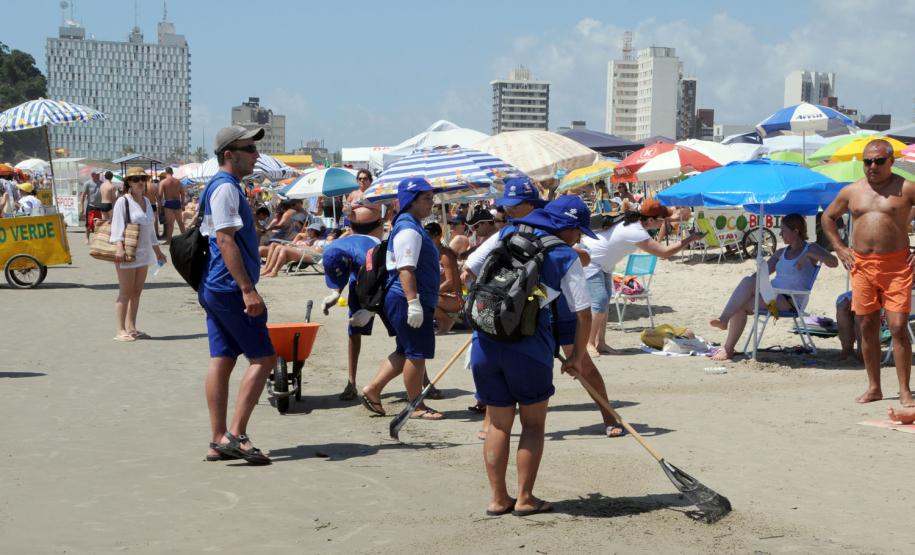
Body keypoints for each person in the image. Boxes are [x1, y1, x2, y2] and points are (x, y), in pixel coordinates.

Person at [469, 195, 593, 517]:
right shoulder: (565, 255)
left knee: (498, 424)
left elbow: (470, 270)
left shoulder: (507, 235)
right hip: (528, 348)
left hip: (485, 342)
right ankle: (524, 498)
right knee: (533, 425)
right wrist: (577, 356)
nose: (579, 237)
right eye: (578, 231)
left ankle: (498, 498)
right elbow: (583, 313)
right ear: (568, 227)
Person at [199, 126, 276, 465]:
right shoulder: (227, 189)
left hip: (215, 285)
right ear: (229, 154)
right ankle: (236, 434)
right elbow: (225, 240)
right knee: (263, 358)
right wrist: (247, 289)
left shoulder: (219, 187)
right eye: (249, 148)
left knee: (223, 357)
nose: (256, 154)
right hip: (229, 287)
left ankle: (218, 438)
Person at [822, 139, 915, 406]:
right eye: (867, 161)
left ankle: (905, 390)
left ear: (891, 161)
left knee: (897, 327)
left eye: (878, 161)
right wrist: (840, 248)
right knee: (867, 326)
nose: (872, 166)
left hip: (897, 266)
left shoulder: (906, 188)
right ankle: (874, 387)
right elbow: (828, 217)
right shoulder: (852, 191)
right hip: (861, 265)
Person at [360, 178, 443, 420]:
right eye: (426, 199)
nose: (431, 203)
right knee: (416, 354)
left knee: (405, 350)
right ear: (411, 201)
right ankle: (416, 406)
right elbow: (406, 268)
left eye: (431, 198)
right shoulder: (409, 228)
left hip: (403, 297)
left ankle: (373, 389)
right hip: (406, 297)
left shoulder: (412, 225)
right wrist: (413, 302)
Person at [581, 199, 705, 356]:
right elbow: (664, 253)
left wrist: (677, 216)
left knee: (604, 304)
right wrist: (689, 239)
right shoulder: (635, 230)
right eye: (661, 220)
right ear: (651, 220)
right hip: (591, 261)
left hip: (602, 263)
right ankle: (588, 344)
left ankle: (601, 343)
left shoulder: (635, 222)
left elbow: (667, 222)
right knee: (599, 302)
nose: (664, 223)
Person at [710, 214, 838, 361]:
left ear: (796, 231)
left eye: (783, 230)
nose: (780, 234)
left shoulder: (811, 248)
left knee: (742, 298)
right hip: (773, 296)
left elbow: (833, 262)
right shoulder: (781, 253)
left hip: (791, 302)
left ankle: (725, 329)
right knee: (745, 290)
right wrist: (760, 266)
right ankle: (727, 345)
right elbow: (761, 276)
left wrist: (808, 254)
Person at [321, 207, 385, 400]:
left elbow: (383, 279)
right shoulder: (348, 246)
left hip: (382, 285)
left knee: (403, 333)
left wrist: (371, 309)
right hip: (359, 284)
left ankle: (351, 382)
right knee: (355, 331)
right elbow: (343, 266)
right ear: (379, 226)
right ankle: (351, 383)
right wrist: (335, 292)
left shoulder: (374, 248)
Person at [110, 167, 167, 342]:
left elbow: (150, 231)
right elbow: (117, 225)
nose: (140, 182)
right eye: (135, 179)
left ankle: (132, 327)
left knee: (137, 292)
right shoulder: (123, 201)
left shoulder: (147, 202)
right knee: (125, 292)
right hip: (127, 251)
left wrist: (158, 252)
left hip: (143, 253)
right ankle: (120, 330)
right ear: (128, 183)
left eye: (143, 178)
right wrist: (119, 246)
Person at [425, 222, 463, 335]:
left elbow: (450, 282)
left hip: (454, 297)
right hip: (443, 295)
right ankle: (443, 322)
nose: (426, 239)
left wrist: (432, 291)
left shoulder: (445, 255)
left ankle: (446, 321)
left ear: (438, 236)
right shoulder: (432, 253)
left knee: (424, 298)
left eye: (429, 236)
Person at [260, 222, 326, 277]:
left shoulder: (318, 241)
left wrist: (297, 246)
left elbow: (316, 251)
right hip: (298, 251)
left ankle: (274, 271)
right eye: (308, 229)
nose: (308, 231)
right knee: (274, 244)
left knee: (282, 249)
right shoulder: (306, 239)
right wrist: (299, 236)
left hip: (309, 255)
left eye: (311, 230)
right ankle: (267, 268)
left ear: (316, 232)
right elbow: (294, 243)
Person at [159, 167, 186, 243]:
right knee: (180, 223)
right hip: (177, 202)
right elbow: (183, 193)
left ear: (165, 173)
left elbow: (160, 195)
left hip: (169, 203)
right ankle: (185, 239)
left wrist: (160, 205)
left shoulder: (163, 182)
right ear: (172, 172)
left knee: (170, 224)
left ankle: (169, 240)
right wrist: (183, 203)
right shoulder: (178, 181)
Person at [81, 170, 103, 243]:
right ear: (92, 175)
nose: (99, 176)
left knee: (99, 224)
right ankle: (87, 238)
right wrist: (82, 207)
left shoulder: (102, 184)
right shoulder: (87, 183)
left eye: (99, 174)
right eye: (97, 174)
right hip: (91, 206)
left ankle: (98, 239)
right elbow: (83, 196)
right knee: (89, 223)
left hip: (100, 207)